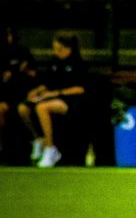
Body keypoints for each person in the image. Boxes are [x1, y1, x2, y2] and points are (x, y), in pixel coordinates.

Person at [17, 31, 86, 168]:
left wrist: (56, 93)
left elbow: (80, 89)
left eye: (59, 49)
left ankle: (50, 148)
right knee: (23, 108)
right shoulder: (54, 62)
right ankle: (38, 139)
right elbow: (47, 82)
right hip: (51, 97)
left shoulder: (78, 63)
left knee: (42, 107)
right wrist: (37, 91)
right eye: (54, 49)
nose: (56, 52)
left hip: (71, 101)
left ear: (69, 48)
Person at [0, 25, 35, 163]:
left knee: (23, 108)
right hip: (5, 95)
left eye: (10, 34)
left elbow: (33, 74)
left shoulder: (23, 52)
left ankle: (36, 143)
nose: (8, 37)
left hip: (23, 94)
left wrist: (22, 71)